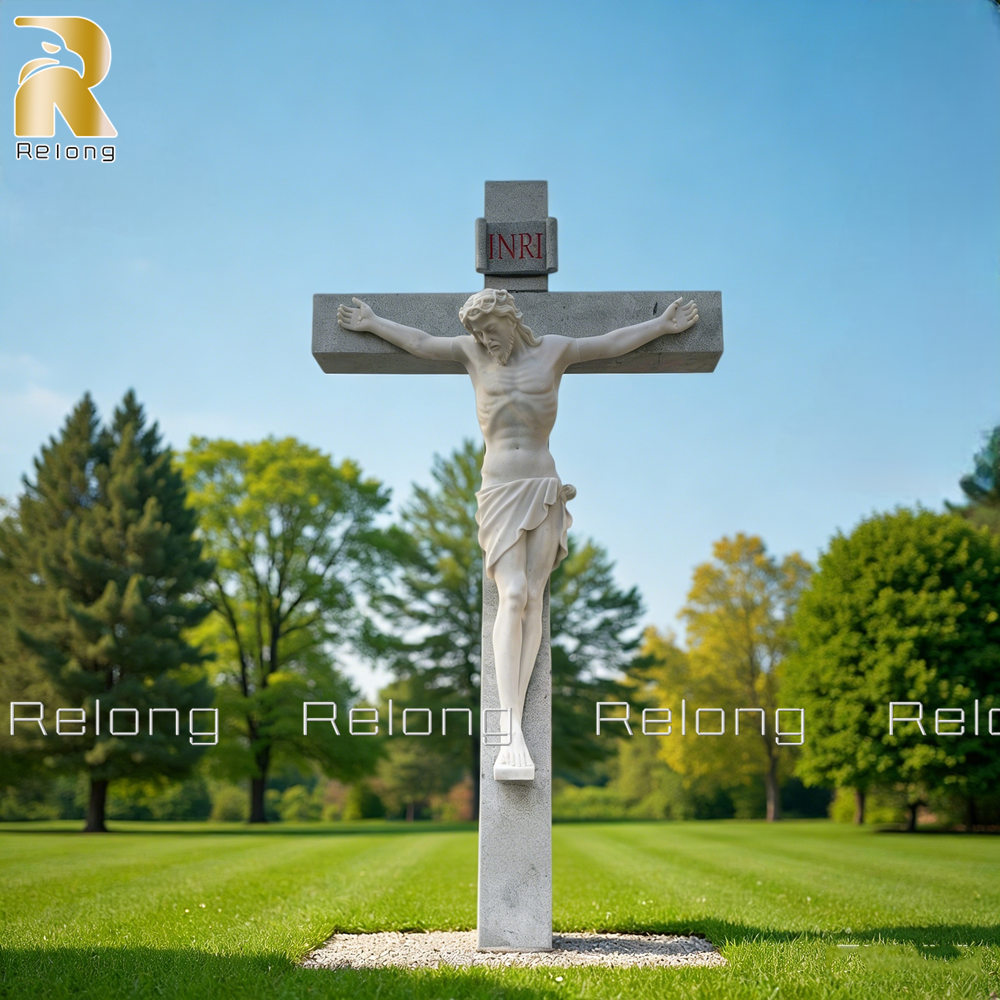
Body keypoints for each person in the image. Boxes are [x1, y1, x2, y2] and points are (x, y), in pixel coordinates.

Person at [336, 288, 698, 780]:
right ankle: (509, 728)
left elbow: (611, 342)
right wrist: (374, 323)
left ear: (511, 319)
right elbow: (421, 341)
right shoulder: (471, 355)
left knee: (531, 596)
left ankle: (519, 718)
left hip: (543, 486)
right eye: (478, 334)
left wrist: (661, 328)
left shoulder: (555, 350)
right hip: (499, 489)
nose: (485, 341)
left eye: (490, 330)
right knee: (511, 595)